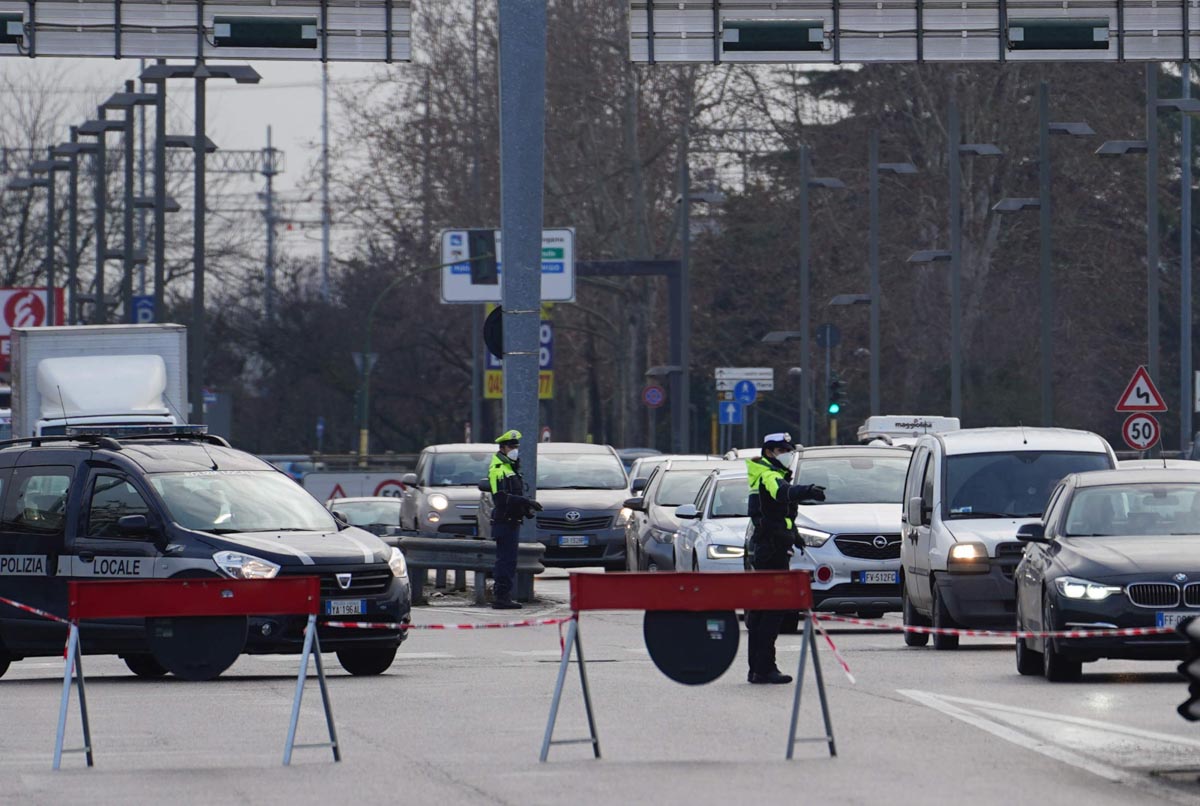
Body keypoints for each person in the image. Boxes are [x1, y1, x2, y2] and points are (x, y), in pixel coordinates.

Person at [745, 433, 825, 684]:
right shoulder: (769, 475)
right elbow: (782, 494)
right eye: (782, 450)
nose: (788, 454)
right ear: (770, 452)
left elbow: (774, 515)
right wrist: (808, 491)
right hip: (771, 550)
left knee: (763, 610)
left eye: (789, 449)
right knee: (773, 609)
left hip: (771, 545)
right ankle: (764, 668)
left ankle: (758, 668)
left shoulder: (764, 472)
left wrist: (795, 535)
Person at [487, 429, 542, 609]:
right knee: (505, 561)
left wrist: (525, 509)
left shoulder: (510, 468)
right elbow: (501, 498)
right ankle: (501, 597)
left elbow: (513, 496)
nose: (514, 449)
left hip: (511, 520)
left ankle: (504, 596)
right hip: (504, 521)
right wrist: (525, 501)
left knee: (509, 561)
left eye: (516, 446)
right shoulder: (499, 469)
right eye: (511, 446)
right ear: (502, 448)